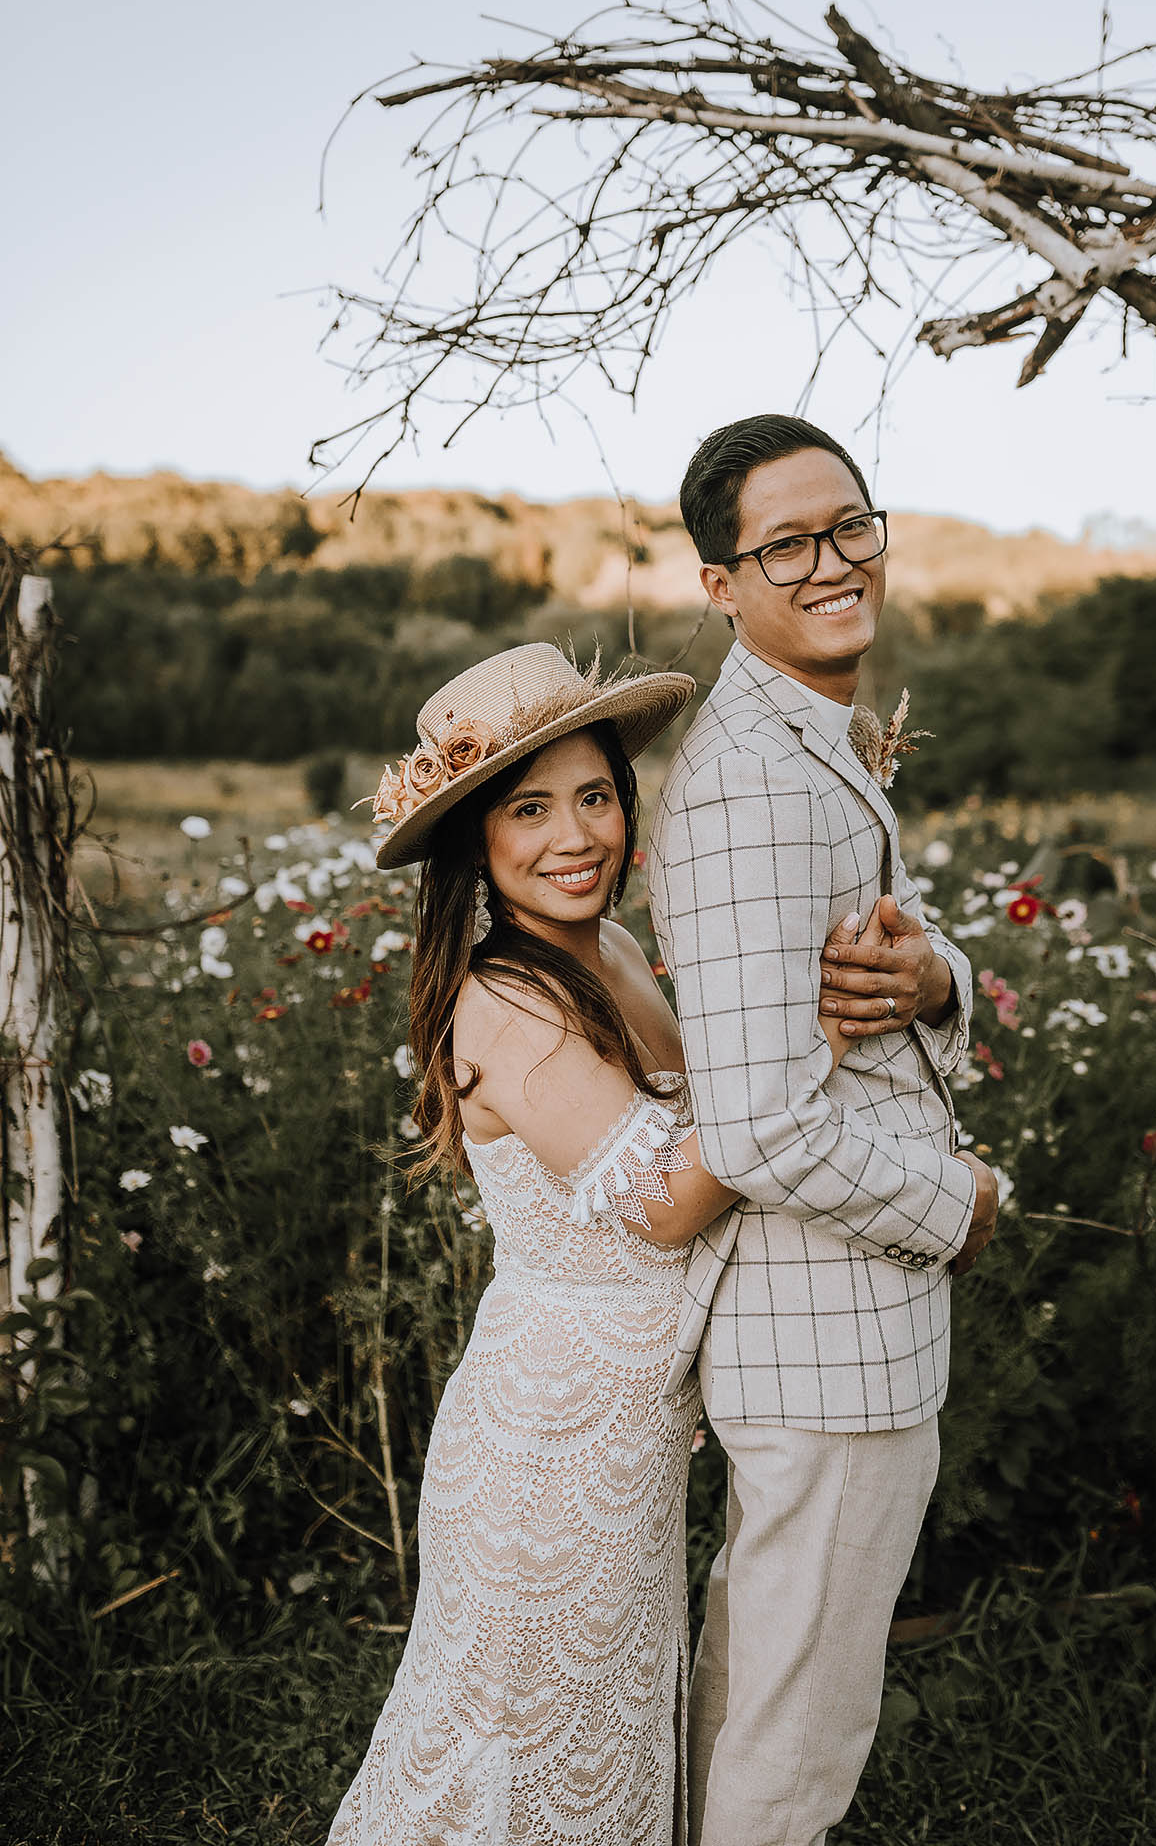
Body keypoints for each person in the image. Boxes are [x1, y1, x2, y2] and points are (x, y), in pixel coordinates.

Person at [327, 641, 866, 1846]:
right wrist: (810, 1053)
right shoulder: (506, 996)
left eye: (596, 795)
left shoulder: (613, 954)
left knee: (612, 1722)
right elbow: (671, 1198)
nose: (576, 834)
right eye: (529, 806)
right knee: (521, 1736)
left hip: (630, 1426)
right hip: (547, 1440)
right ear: (476, 837)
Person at [648, 414, 1000, 1846]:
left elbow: (870, 986)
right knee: (791, 1742)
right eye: (783, 542)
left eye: (849, 523)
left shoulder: (813, 739)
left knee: (768, 1696)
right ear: (721, 584)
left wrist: (939, 977)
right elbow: (758, 1127)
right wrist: (957, 1204)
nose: (832, 560)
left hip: (841, 1332)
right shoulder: (748, 785)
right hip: (823, 1339)